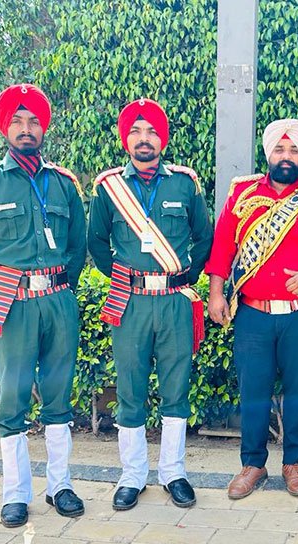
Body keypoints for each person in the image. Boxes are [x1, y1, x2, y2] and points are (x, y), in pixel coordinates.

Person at [0, 84, 87, 528]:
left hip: (56, 301)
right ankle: (15, 493)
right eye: (17, 121)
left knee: (58, 393)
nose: (26, 129)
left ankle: (60, 486)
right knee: (11, 396)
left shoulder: (64, 183)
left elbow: (78, 247)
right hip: (11, 305)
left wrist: (61, 289)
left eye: (33, 121)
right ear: (5, 128)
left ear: (43, 128)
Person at [205, 118, 298, 500]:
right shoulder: (242, 193)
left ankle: (294, 463)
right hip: (253, 313)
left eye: (294, 150)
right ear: (267, 152)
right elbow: (222, 247)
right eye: (279, 149)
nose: (286, 157)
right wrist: (216, 294)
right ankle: (253, 464)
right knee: (253, 389)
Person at [88, 98, 213, 510]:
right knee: (131, 388)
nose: (145, 140)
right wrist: (124, 276)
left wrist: (187, 275)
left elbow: (203, 235)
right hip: (131, 302)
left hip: (175, 300)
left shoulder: (184, 183)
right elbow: (95, 243)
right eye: (137, 132)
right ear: (126, 139)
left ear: (163, 139)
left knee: (176, 388)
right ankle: (133, 474)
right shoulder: (109, 188)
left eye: (152, 132)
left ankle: (173, 472)